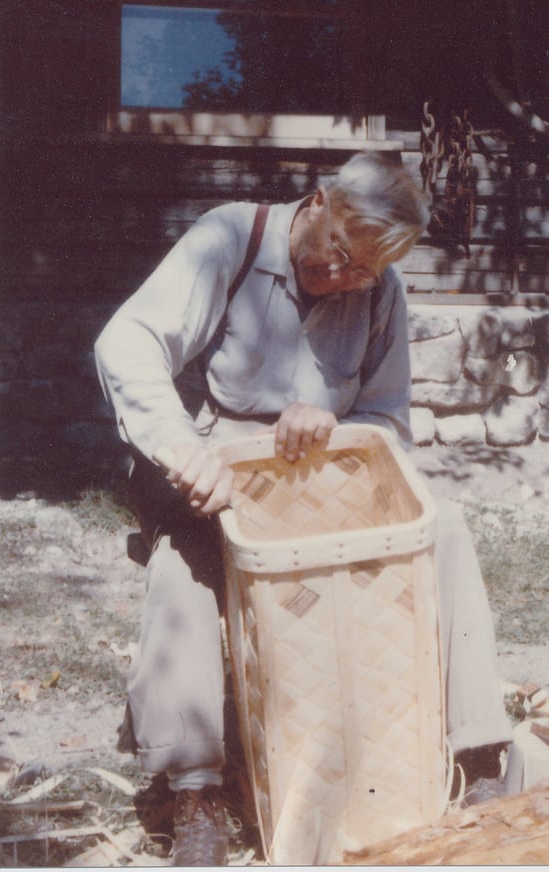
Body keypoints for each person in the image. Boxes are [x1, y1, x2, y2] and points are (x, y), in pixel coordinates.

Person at [95, 152, 511, 866]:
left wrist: (336, 430)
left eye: (363, 273)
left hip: (325, 477)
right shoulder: (232, 238)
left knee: (443, 527)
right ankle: (193, 793)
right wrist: (180, 448)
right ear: (319, 201)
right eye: (341, 256)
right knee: (184, 568)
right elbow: (126, 342)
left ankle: (476, 757)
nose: (344, 279)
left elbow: (389, 421)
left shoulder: (380, 288)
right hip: (219, 470)